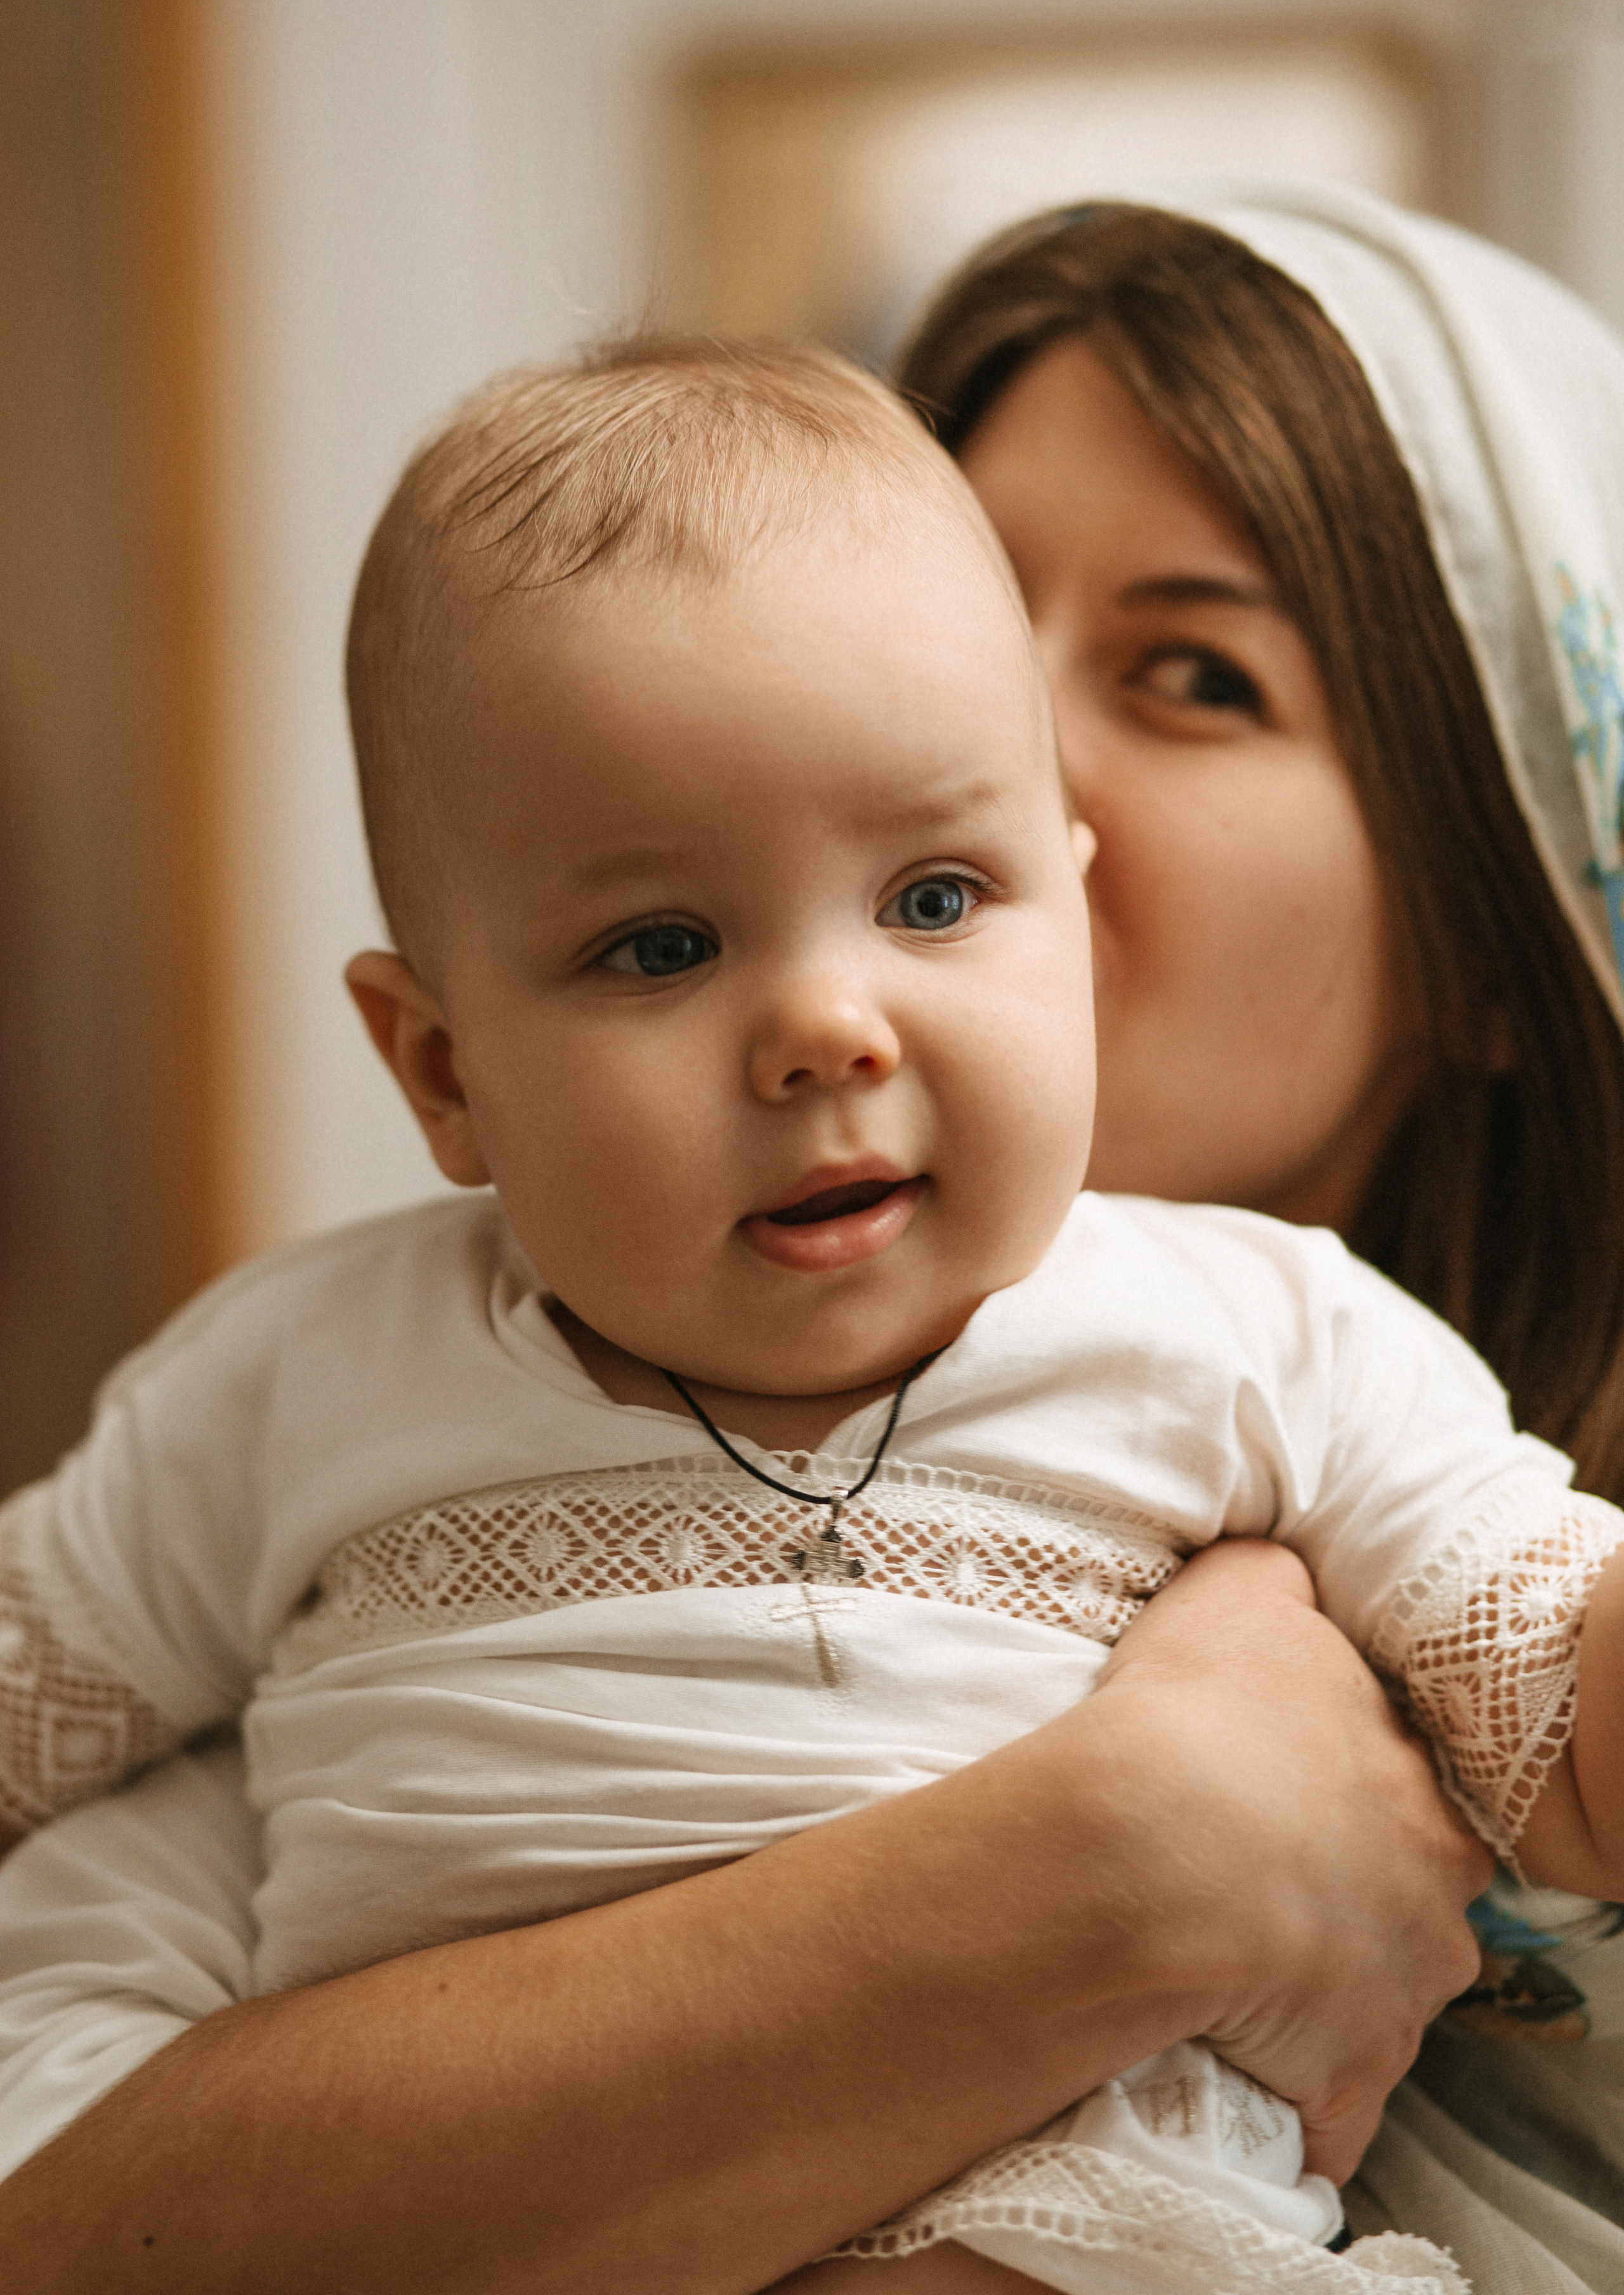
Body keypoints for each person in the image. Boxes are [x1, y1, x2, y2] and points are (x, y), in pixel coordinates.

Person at [0, 180, 1611, 2293]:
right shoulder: (334, 1421)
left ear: (1515, 914)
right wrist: (1129, 1863)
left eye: (1190, 670)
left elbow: (1559, 1674)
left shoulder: (1289, 1362)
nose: (831, 1014)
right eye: (662, 939)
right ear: (443, 1066)